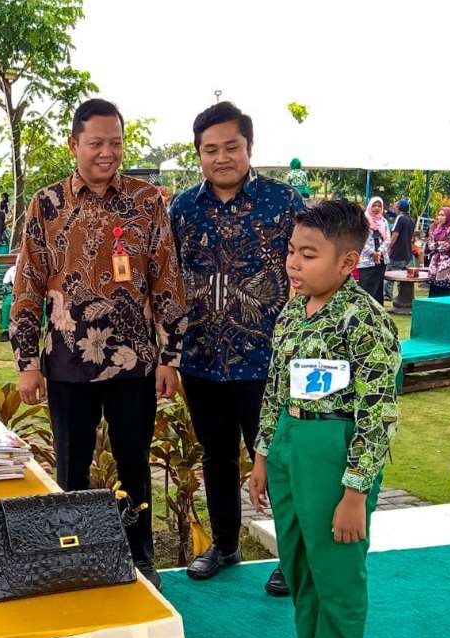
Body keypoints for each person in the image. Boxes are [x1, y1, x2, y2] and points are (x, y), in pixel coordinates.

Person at [11, 98, 187, 589]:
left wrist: (169, 357)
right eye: (96, 143)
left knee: (135, 464)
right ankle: (74, 557)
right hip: (68, 362)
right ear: (74, 145)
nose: (107, 153)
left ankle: (139, 557)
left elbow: (166, 280)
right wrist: (27, 363)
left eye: (115, 143)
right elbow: (27, 284)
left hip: (135, 363)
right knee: (72, 466)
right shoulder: (45, 205)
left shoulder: (148, 201)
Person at [248, 200, 400, 638]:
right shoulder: (293, 309)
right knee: (299, 559)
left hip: (335, 450)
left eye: (308, 254)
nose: (293, 263)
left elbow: (377, 412)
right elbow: (275, 387)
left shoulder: (364, 320)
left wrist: (355, 493)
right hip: (292, 442)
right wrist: (263, 456)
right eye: (291, 251)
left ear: (347, 263)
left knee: (336, 566)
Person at [169, 101, 303, 591]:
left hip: (267, 359)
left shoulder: (284, 202)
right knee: (216, 457)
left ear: (250, 147)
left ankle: (292, 556)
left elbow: (309, 268)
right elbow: (169, 281)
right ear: (199, 153)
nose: (221, 157)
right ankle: (225, 545)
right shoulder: (182, 208)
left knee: (277, 457)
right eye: (210, 149)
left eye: (231, 147)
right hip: (202, 359)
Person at [357, 197, 388, 302]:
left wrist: (379, 252)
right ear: (370, 206)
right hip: (366, 261)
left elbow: (387, 239)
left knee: (378, 288)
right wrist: (372, 253)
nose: (377, 208)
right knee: (365, 289)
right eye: (374, 205)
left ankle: (377, 313)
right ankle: (363, 312)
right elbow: (360, 239)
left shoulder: (383, 221)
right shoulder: (363, 221)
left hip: (381, 259)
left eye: (379, 206)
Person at [384, 198, 414, 301]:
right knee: (403, 276)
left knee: (390, 273)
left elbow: (395, 234)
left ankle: (388, 294)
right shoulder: (411, 219)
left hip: (398, 252)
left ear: (399, 208)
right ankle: (402, 295)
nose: (394, 209)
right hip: (407, 253)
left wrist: (389, 247)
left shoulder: (400, 218)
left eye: (396, 206)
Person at [427, 206, 450, 297]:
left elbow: (447, 246)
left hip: (446, 264)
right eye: (439, 215)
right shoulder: (436, 229)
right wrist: (438, 244)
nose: (439, 217)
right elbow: (430, 245)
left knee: (445, 289)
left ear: (448, 217)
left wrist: (437, 245)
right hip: (435, 263)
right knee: (434, 288)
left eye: (443, 215)